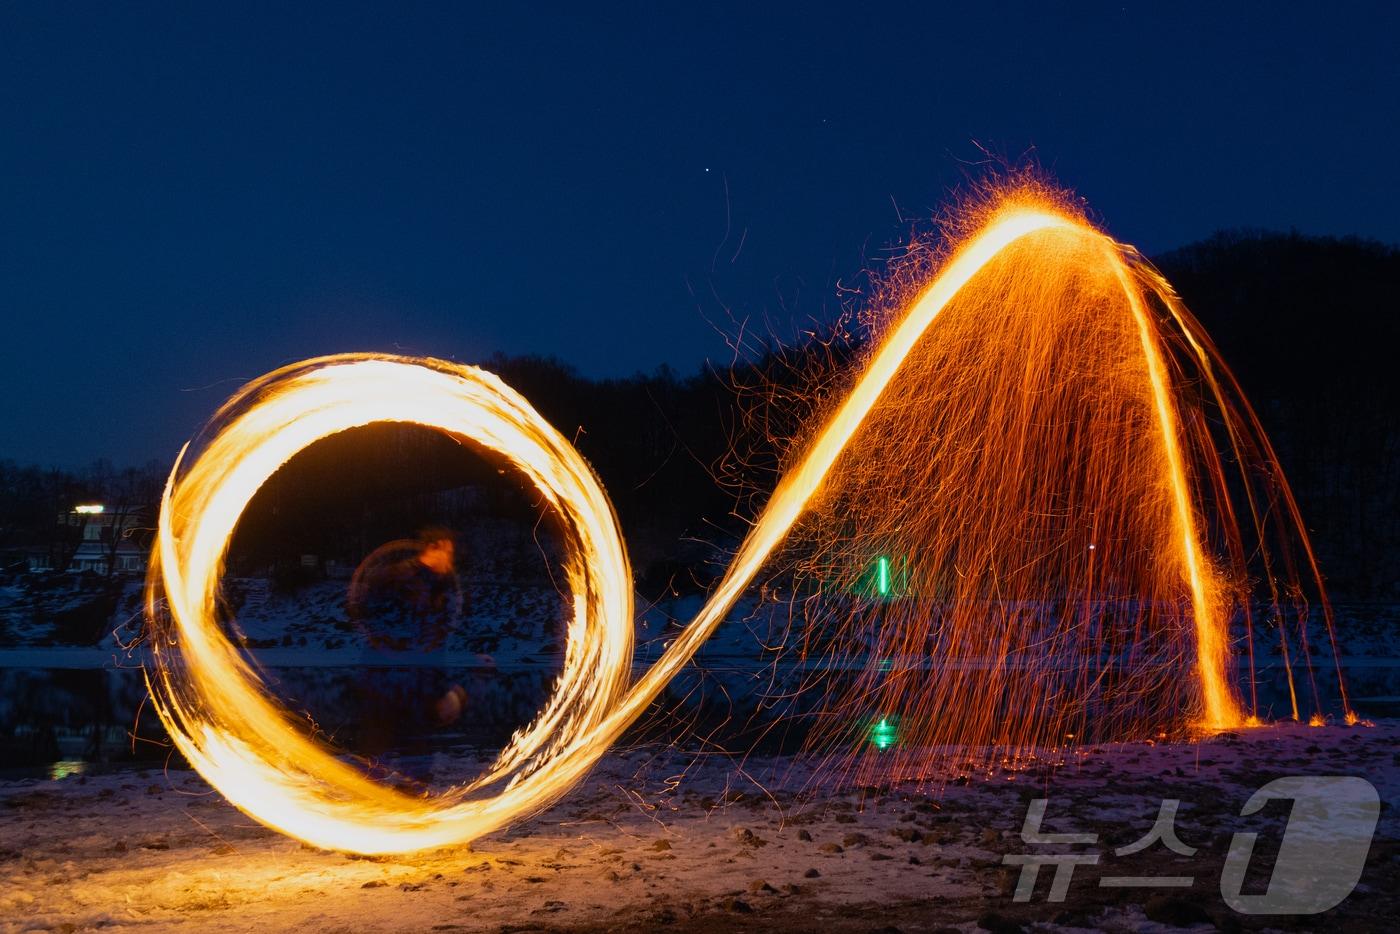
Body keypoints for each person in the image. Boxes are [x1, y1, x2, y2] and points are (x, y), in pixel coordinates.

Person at [348, 528, 468, 762]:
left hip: (404, 682)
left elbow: (432, 643)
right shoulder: (405, 580)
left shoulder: (431, 585)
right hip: (393, 682)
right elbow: (420, 638)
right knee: (388, 755)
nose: (451, 560)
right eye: (449, 552)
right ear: (436, 546)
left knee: (408, 757)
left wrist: (440, 690)